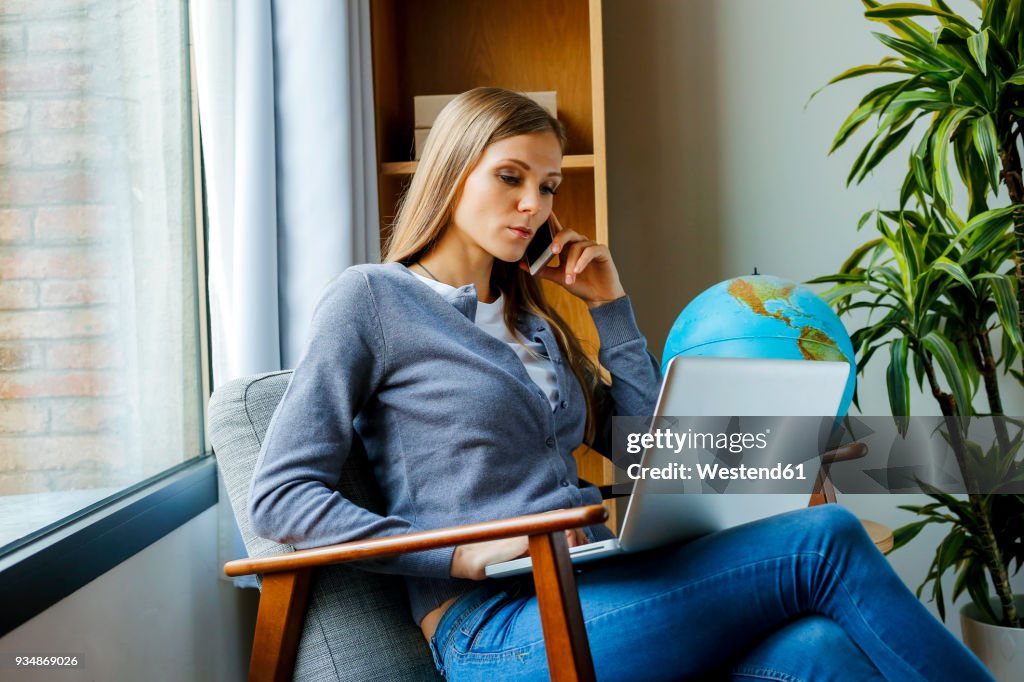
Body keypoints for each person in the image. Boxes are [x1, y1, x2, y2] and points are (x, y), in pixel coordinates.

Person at [248, 88, 992, 681]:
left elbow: (649, 456)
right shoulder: (372, 300)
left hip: (603, 589)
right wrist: (454, 553)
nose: (533, 205)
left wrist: (611, 309)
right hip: (498, 630)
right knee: (825, 541)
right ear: (452, 172)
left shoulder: (535, 324)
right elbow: (281, 496)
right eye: (510, 178)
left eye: (546, 186)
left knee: (818, 652)